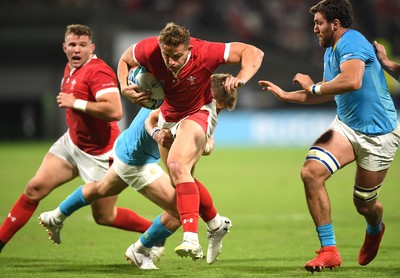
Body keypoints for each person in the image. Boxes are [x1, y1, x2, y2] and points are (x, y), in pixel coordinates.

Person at [39, 73, 238, 269]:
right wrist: (167, 136)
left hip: (127, 146)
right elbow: (155, 123)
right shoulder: (186, 104)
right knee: (180, 211)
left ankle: (55, 216)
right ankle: (140, 250)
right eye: (219, 110)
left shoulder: (186, 92)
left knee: (103, 188)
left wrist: (206, 144)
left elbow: (201, 137)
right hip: (137, 160)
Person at [258, 0, 400, 273]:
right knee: (311, 172)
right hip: (346, 128)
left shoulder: (353, 42)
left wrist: (312, 86)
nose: (314, 29)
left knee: (364, 204)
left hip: (379, 135)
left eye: (319, 23)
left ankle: (375, 227)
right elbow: (327, 92)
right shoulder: (330, 52)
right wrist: (286, 95)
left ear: (335, 24)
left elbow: (352, 81)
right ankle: (329, 251)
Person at [0, 24, 153, 253]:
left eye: (83, 45)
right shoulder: (70, 68)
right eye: (72, 44)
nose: (77, 49)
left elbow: (115, 111)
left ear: (92, 48)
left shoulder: (98, 72)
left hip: (103, 154)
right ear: (65, 48)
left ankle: (155, 232)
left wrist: (76, 103)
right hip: (72, 145)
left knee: (105, 216)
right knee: (34, 189)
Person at [117, 22, 264, 261]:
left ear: (188, 49)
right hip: (168, 116)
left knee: (176, 166)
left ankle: (191, 240)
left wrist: (241, 78)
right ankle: (216, 224)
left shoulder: (205, 52)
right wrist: (124, 87)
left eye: (177, 56)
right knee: (182, 180)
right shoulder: (149, 49)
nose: (171, 61)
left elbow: (253, 52)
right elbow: (124, 60)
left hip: (198, 112)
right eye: (167, 55)